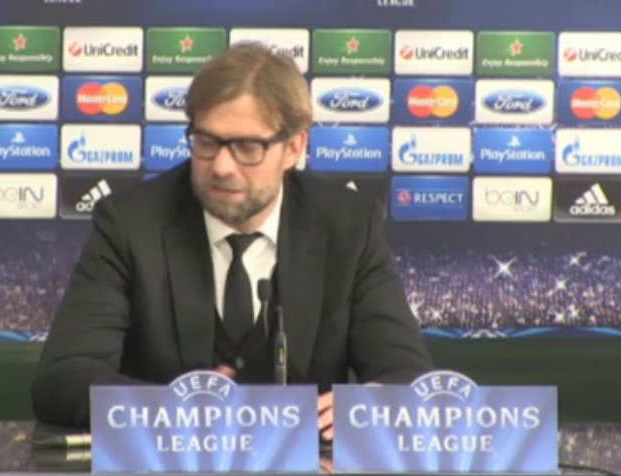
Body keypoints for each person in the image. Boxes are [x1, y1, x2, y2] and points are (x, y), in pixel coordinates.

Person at [31, 43, 434, 436]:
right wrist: (175, 411)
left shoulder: (349, 226)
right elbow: (63, 379)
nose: (221, 166)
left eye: (246, 147)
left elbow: (408, 375)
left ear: (294, 147)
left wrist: (372, 406)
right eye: (206, 142)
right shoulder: (130, 224)